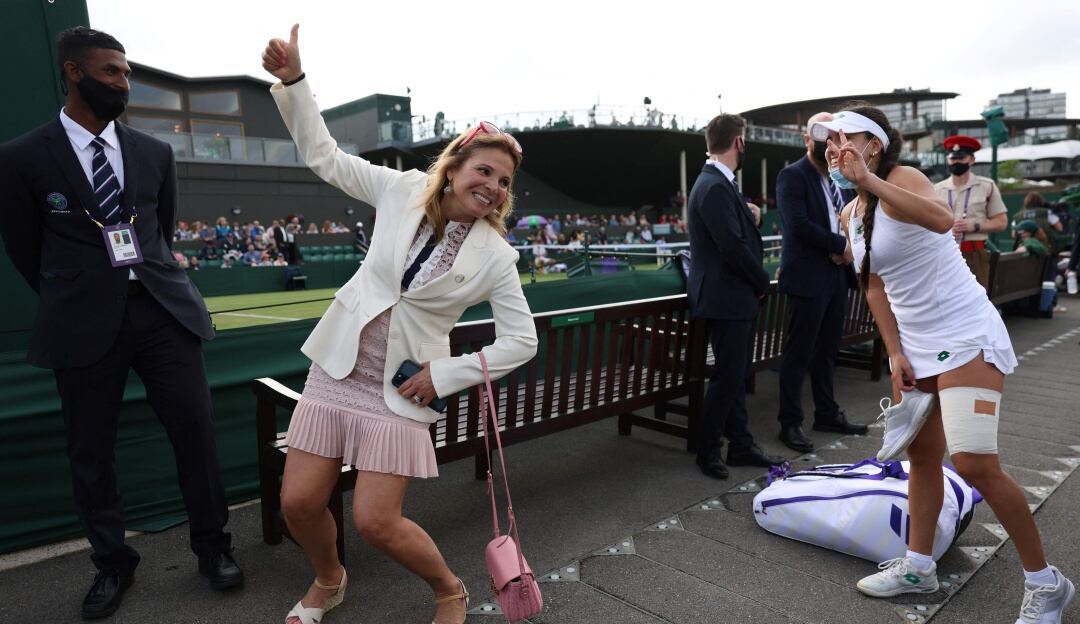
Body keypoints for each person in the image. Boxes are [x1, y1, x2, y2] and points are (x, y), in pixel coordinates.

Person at [261, 25, 538, 624]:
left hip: (402, 389)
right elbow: (324, 157)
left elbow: (522, 341)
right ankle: (329, 579)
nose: (492, 188)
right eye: (484, 171)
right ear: (455, 166)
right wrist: (296, 84)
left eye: (504, 182)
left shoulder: (498, 257)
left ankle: (449, 590)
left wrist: (445, 374)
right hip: (336, 370)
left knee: (377, 522)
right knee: (298, 503)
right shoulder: (400, 189)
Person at [0, 27, 242, 619]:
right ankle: (112, 564)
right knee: (91, 453)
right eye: (112, 72)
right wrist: (79, 295)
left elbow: (162, 230)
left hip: (162, 312)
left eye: (128, 72)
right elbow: (25, 250)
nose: (124, 83)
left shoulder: (154, 153)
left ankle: (213, 549)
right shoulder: (21, 157)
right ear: (74, 73)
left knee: (197, 436)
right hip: (81, 322)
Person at [814, 105, 1074, 622]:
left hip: (965, 333)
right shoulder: (850, 211)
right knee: (923, 458)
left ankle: (1047, 584)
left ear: (874, 145)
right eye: (828, 139)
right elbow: (873, 284)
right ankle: (918, 566)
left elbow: (940, 220)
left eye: (846, 136)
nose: (833, 144)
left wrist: (869, 180)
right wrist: (893, 351)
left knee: (974, 461)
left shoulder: (903, 178)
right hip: (916, 344)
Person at [686, 113, 785, 480]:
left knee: (735, 374)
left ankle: (740, 443)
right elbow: (732, 246)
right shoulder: (713, 185)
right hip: (726, 298)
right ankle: (708, 450)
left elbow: (730, 232)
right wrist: (764, 281)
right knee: (728, 377)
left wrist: (750, 216)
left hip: (731, 297)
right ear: (739, 143)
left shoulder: (717, 183)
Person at [775, 112, 868, 455]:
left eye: (832, 136)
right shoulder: (792, 176)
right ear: (806, 139)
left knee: (828, 351)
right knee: (798, 354)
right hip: (807, 278)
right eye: (819, 135)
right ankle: (790, 422)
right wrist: (841, 246)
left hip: (834, 276)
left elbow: (850, 218)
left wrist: (848, 249)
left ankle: (827, 413)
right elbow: (797, 225)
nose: (826, 143)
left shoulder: (840, 178)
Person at [932, 135, 1008, 291]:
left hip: (975, 253)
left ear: (972, 160)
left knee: (977, 299)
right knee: (945, 298)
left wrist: (975, 226)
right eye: (953, 158)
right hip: (945, 253)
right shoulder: (936, 189)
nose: (956, 162)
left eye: (961, 158)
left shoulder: (987, 186)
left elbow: (1001, 222)